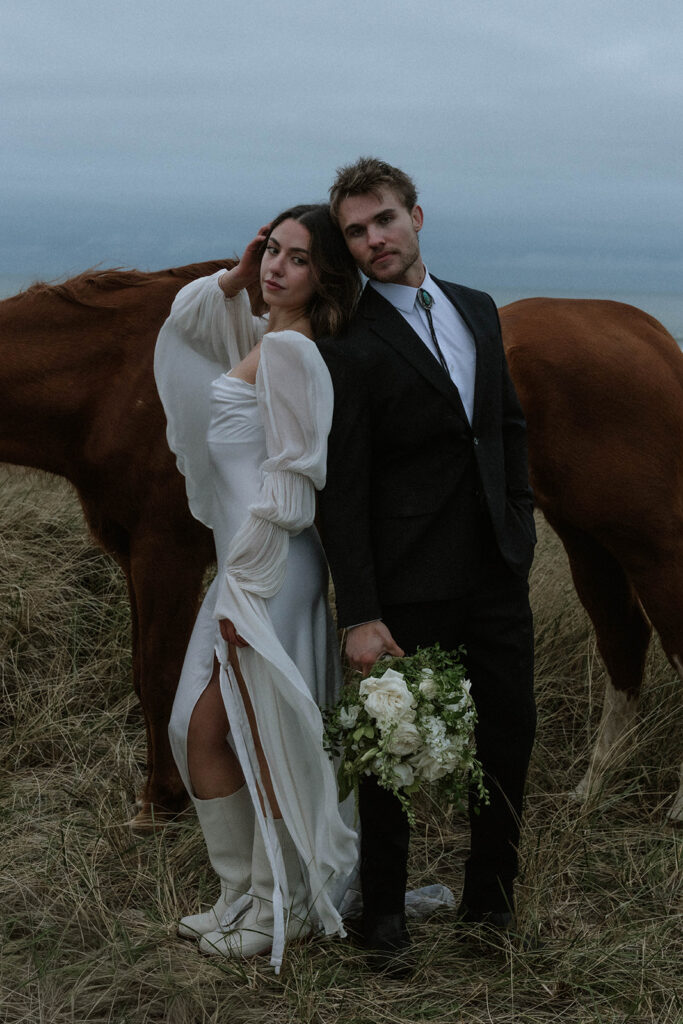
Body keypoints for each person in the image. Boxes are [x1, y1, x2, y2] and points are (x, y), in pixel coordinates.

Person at [317, 158, 537, 970]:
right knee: (392, 753)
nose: (373, 239)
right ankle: (383, 921)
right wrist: (359, 611)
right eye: (355, 232)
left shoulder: (477, 308)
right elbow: (342, 484)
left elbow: (504, 426)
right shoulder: (347, 338)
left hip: (495, 569)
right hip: (405, 581)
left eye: (383, 219)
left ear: (415, 216)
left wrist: (519, 523)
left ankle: (489, 907)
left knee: (509, 735)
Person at [154, 204, 361, 973]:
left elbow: (294, 484)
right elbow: (187, 323)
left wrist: (249, 586)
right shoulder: (259, 335)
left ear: (324, 275)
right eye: (272, 250)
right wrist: (236, 275)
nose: (277, 266)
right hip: (241, 568)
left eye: (297, 258)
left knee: (264, 737)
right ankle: (239, 891)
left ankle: (284, 905)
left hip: (269, 569)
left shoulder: (293, 353)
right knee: (197, 728)